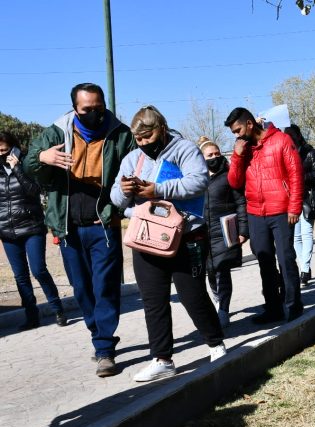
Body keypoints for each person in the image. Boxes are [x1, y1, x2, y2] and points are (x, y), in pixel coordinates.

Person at [25, 83, 135, 378]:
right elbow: (28, 163)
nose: (94, 113)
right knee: (82, 289)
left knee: (105, 287)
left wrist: (119, 202)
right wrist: (42, 158)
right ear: (75, 108)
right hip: (68, 226)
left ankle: (104, 348)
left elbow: (136, 171)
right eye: (87, 109)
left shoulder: (120, 133)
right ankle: (95, 332)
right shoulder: (56, 132)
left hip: (104, 224)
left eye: (98, 107)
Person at [111, 106, 227, 382]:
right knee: (153, 300)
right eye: (138, 140)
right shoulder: (131, 160)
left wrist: (158, 189)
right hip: (148, 239)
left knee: (192, 295)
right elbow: (116, 199)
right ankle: (162, 358)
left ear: (161, 129)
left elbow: (198, 182)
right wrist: (125, 194)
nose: (143, 144)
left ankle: (216, 345)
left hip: (187, 236)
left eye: (147, 137)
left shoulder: (184, 149)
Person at [226, 107, 304, 323]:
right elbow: (234, 182)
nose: (237, 135)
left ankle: (293, 305)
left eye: (238, 130)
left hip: (281, 210)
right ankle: (273, 308)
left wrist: (294, 207)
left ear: (250, 124)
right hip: (255, 213)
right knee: (264, 261)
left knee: (286, 259)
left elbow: (296, 175)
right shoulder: (244, 150)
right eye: (233, 132)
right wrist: (237, 156)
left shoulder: (281, 140)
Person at [0, 131, 66, 331]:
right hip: (7, 230)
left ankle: (58, 309)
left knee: (38, 270)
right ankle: (32, 317)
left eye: (3, 150)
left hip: (31, 227)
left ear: (13, 147)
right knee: (20, 276)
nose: (1, 154)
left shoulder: (28, 163)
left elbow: (34, 191)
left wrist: (18, 169)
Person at [198, 137, 248, 328]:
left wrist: (243, 230)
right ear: (201, 158)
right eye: (209, 155)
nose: (214, 157)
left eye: (217, 153)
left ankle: (223, 309)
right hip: (202, 232)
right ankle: (217, 299)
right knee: (210, 271)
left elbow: (240, 202)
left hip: (225, 230)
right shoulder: (196, 177)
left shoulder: (229, 176)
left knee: (222, 269)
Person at [284, 124, 315, 285]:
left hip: (307, 197)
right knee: (295, 237)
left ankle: (305, 269)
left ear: (298, 135)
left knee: (306, 233)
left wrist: (300, 177)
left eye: (292, 135)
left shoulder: (309, 151)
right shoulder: (285, 152)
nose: (289, 138)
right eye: (286, 135)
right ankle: (304, 267)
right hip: (291, 198)